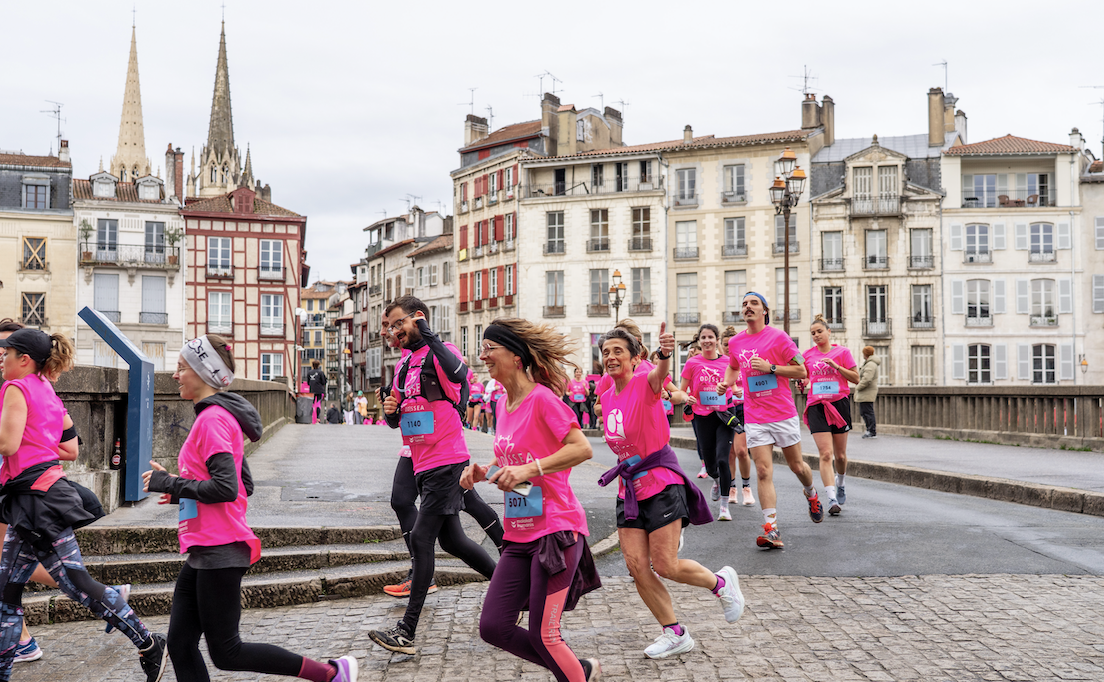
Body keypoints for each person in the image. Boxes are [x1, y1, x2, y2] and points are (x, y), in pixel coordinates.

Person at [143, 335, 356, 682]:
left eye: (182, 368)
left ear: (203, 372)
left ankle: (331, 673)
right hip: (205, 548)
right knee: (180, 644)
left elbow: (226, 489)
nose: (175, 375)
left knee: (227, 652)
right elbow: (244, 485)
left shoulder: (212, 420)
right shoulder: (215, 418)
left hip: (220, 548)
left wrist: (169, 484)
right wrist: (184, 492)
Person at [0, 328, 168, 681]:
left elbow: (8, 444)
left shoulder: (15, 388)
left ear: (25, 359)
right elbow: (67, 445)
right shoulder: (47, 390)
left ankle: (150, 642)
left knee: (77, 583)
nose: (3, 358)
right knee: (7, 591)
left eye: (7, 352)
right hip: (33, 497)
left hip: (38, 501)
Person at [461, 319, 602, 682]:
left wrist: (528, 470)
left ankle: (575, 675)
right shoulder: (505, 404)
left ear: (517, 357)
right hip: (519, 534)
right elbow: (516, 456)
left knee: (545, 634)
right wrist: (487, 469)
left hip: (556, 531)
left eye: (490, 348)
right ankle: (580, 670)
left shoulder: (542, 399)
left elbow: (581, 448)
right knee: (494, 626)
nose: (483, 355)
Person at [596, 324, 744, 660]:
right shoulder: (607, 396)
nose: (610, 357)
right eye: (605, 352)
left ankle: (721, 584)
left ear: (635, 358)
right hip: (628, 487)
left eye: (618, 351)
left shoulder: (645, 382)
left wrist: (665, 352)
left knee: (665, 564)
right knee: (636, 565)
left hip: (660, 482)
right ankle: (675, 632)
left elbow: (662, 372)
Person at [369, 296, 498, 655]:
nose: (394, 332)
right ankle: (512, 592)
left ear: (417, 319)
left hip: (447, 459)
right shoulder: (403, 364)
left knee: (423, 540)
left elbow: (460, 375)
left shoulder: (441, 353)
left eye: (399, 324)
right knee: (453, 542)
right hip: (422, 463)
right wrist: (390, 410)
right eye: (391, 327)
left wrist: (427, 333)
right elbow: (397, 419)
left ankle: (406, 630)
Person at [721, 293, 820, 550]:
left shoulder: (779, 338)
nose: (747, 307)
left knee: (797, 466)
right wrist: (726, 382)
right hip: (755, 416)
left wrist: (771, 368)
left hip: (782, 413)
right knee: (763, 470)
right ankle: (771, 529)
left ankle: (811, 493)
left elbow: (802, 370)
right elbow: (733, 366)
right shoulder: (736, 343)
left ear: (765, 311)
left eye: (753, 303)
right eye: (744, 304)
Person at [800, 315, 859, 515]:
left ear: (828, 332)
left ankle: (840, 482)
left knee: (840, 455)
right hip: (817, 405)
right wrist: (804, 382)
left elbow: (856, 379)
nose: (816, 335)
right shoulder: (807, 355)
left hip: (839, 404)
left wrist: (837, 367)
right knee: (825, 454)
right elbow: (804, 376)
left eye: (819, 331)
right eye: (813, 333)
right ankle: (832, 498)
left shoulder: (842, 352)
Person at [679, 324, 737, 521]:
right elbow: (682, 390)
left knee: (723, 459)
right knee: (711, 464)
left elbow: (736, 384)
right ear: (699, 340)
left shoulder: (728, 362)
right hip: (702, 416)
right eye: (703, 337)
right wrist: (688, 398)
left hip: (725, 414)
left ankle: (724, 506)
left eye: (710, 337)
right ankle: (716, 479)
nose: (707, 341)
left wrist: (734, 389)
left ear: (717, 339)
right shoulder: (692, 363)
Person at [719, 326, 755, 508]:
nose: (728, 347)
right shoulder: (718, 363)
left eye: (731, 344)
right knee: (730, 453)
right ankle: (732, 487)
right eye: (725, 345)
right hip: (725, 410)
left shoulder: (743, 361)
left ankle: (746, 487)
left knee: (742, 450)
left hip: (743, 408)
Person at [855, 346, 880, 439]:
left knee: (867, 412)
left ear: (865, 354)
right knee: (864, 411)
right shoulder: (870, 363)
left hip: (867, 392)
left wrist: (858, 387)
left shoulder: (870, 364)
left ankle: (871, 431)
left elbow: (867, 379)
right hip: (866, 392)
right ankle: (869, 430)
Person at [306, 359, 327, 425]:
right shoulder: (321, 372)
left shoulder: (309, 373)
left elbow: (308, 383)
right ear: (319, 365)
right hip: (319, 390)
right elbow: (324, 382)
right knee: (318, 404)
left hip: (312, 390)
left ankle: (311, 418)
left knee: (312, 404)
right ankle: (318, 419)